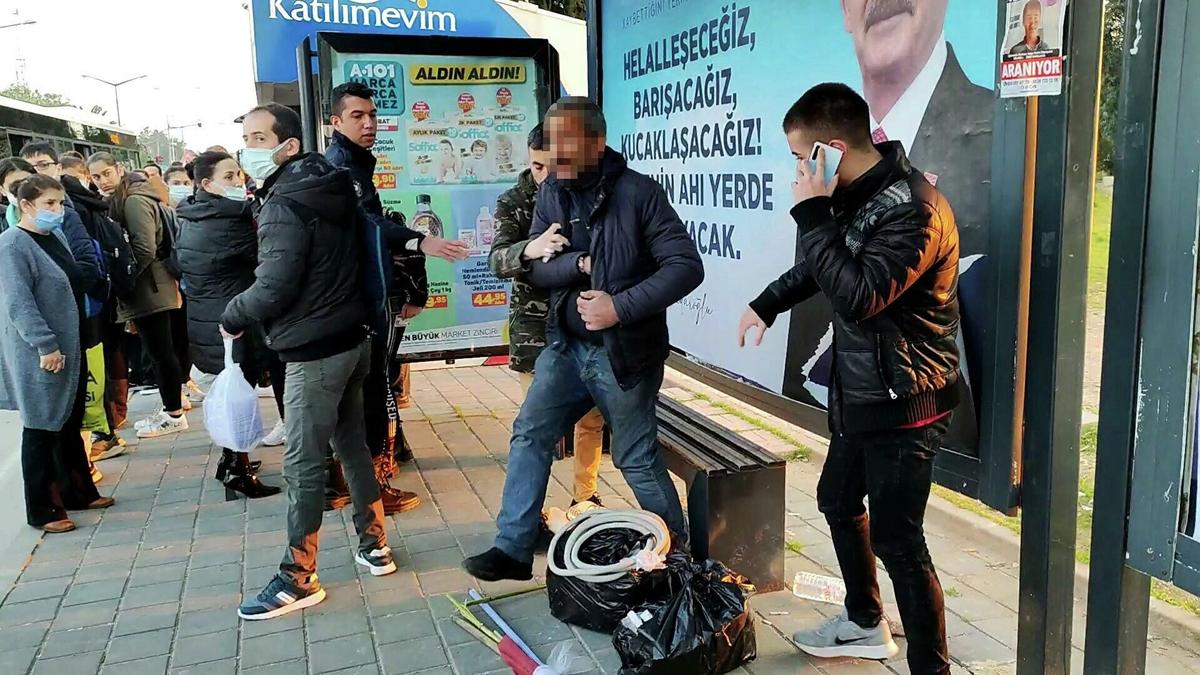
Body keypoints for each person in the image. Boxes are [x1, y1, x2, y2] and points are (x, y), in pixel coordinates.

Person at [738, 84, 961, 674]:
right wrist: (767, 302)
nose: (797, 171)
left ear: (832, 150)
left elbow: (860, 295)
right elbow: (824, 264)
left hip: (906, 400)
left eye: (800, 157)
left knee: (898, 542)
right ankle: (865, 622)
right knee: (837, 498)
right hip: (863, 391)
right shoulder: (857, 194)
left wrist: (811, 211)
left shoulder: (916, 208)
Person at [462, 98, 703, 581]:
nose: (554, 156)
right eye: (549, 145)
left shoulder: (640, 194)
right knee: (530, 433)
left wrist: (619, 306)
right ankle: (512, 550)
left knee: (635, 458)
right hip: (566, 347)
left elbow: (686, 268)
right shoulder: (552, 191)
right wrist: (574, 264)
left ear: (596, 143)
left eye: (564, 144)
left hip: (624, 354)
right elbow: (536, 268)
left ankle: (680, 562)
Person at [227, 103, 396, 620]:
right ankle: (374, 545)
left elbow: (275, 285)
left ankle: (297, 578)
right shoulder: (332, 183)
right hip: (351, 337)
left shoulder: (285, 202)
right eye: (247, 137)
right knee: (352, 446)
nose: (249, 149)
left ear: (289, 145)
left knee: (304, 462)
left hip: (314, 350)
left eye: (260, 138)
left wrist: (233, 314)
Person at [324, 81, 469, 514]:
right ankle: (373, 485)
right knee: (376, 389)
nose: (369, 124)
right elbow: (368, 225)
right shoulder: (342, 167)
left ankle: (346, 482)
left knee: (367, 390)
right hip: (364, 299)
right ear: (335, 121)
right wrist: (420, 242)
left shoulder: (354, 163)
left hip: (362, 295)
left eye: (372, 116)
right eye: (357, 116)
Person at [489, 123, 605, 510]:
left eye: (553, 167)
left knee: (590, 421)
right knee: (536, 429)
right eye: (538, 166)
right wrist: (530, 248)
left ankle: (585, 498)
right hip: (535, 333)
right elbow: (496, 261)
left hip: (582, 325)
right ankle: (530, 514)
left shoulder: (585, 196)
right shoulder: (514, 201)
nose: (545, 177)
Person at [0, 174, 116, 533]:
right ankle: (43, 509)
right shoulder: (12, 245)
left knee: (69, 420)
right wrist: (45, 344)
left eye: (60, 203)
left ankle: (78, 490)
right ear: (26, 205)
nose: (58, 210)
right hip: (41, 351)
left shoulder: (56, 236)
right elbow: (18, 302)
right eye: (49, 204)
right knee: (41, 426)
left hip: (72, 344)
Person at [176, 151, 281, 500]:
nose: (239, 182)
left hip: (209, 318)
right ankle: (236, 468)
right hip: (232, 322)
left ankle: (232, 460)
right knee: (240, 393)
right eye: (229, 177)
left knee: (235, 389)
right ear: (206, 184)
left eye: (238, 174)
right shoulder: (227, 221)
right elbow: (265, 258)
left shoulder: (193, 214)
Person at [88, 152, 191, 439]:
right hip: (152, 285)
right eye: (96, 177)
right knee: (161, 350)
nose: (102, 181)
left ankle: (173, 413)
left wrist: (125, 278)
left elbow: (144, 247)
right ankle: (173, 404)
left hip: (150, 287)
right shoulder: (129, 196)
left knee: (160, 351)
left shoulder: (133, 200)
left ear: (119, 169)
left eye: (106, 173)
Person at [56, 152, 130, 459]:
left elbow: (86, 259)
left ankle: (106, 428)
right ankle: (111, 421)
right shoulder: (92, 203)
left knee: (97, 361)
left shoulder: (75, 209)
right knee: (107, 354)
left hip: (89, 301)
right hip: (100, 298)